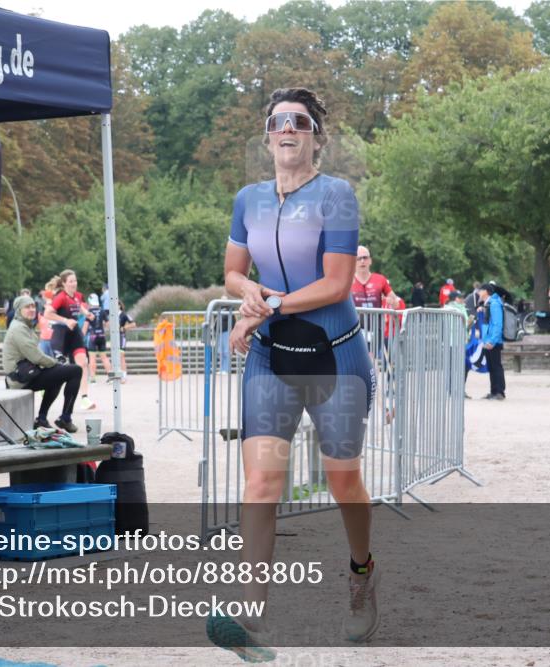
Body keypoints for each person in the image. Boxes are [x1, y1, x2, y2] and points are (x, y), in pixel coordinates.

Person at [214, 87, 378, 658]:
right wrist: (250, 295)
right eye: (278, 121)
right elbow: (234, 272)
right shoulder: (248, 199)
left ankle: (361, 573)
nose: (288, 128)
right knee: (261, 483)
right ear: (267, 136)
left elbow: (335, 285)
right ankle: (251, 617)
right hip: (270, 360)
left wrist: (265, 307)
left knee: (342, 482)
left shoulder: (336, 195)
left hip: (335, 355)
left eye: (300, 122)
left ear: (315, 136)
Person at [2, 295, 82, 432]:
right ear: (19, 310)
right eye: (27, 307)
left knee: (57, 376)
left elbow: (35, 356)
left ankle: (42, 419)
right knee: (75, 371)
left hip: (26, 373)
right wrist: (55, 363)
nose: (32, 309)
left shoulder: (24, 326)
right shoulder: (18, 328)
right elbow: (36, 356)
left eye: (33, 306)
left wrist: (54, 365)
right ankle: (65, 418)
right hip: (20, 379)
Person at [44, 269, 96, 410]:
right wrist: (66, 320)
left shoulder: (77, 296)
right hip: (61, 335)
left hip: (74, 334)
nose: (74, 283)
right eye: (71, 281)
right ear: (64, 283)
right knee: (59, 368)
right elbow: (47, 314)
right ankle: (45, 388)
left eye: (75, 280)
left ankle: (84, 398)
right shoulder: (60, 297)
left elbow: (79, 306)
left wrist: (87, 314)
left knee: (83, 363)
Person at [477, 282, 506, 400]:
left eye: (480, 290)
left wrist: (492, 341)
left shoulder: (494, 304)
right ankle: (494, 391)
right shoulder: (488, 303)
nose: (479, 292)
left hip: (493, 341)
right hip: (488, 340)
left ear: (486, 291)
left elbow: (497, 324)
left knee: (496, 366)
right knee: (492, 367)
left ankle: (499, 392)